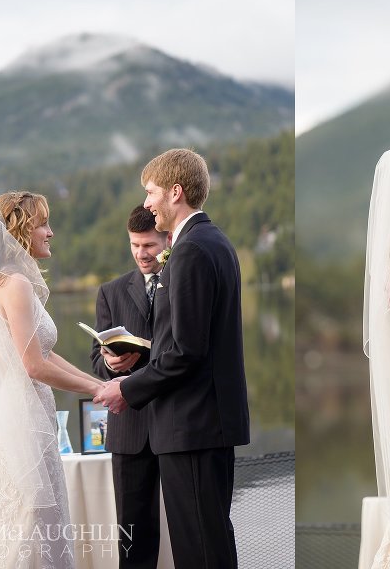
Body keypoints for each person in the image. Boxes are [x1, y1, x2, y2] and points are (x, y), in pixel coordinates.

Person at [94, 149, 250, 569]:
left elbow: (184, 351)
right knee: (209, 544)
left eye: (150, 192)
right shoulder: (211, 242)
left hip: (192, 425)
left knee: (200, 551)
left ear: (175, 192)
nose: (146, 203)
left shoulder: (191, 251)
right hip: (201, 424)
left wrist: (127, 388)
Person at [0, 192, 104, 568]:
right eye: (42, 224)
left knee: (25, 523)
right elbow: (34, 367)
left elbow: (45, 354)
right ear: (19, 231)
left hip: (22, 415)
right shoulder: (16, 285)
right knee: (32, 525)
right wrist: (99, 388)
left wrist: (98, 385)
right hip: (25, 421)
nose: (50, 232)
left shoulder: (2, 284)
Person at [90, 205, 169, 568]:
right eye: (135, 245)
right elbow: (96, 360)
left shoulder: (182, 281)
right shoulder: (110, 292)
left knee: (190, 529)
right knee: (132, 538)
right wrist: (109, 362)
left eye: (149, 245)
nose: (141, 254)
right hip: (129, 430)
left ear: (167, 239)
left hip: (177, 423)